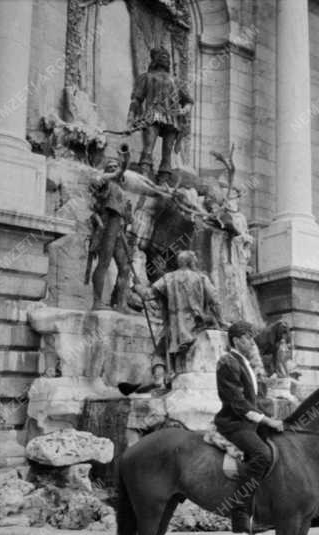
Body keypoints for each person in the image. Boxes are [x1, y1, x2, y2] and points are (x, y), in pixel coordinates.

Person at [215, 321, 285, 533]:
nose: (251, 340)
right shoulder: (227, 362)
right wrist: (266, 420)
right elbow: (237, 403)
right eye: (247, 337)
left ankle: (267, 507)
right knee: (262, 455)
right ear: (236, 340)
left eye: (250, 336)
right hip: (234, 422)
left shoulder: (243, 361)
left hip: (247, 420)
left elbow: (252, 398)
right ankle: (239, 513)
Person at [134, 250, 223, 374]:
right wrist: (220, 321)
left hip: (174, 329)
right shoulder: (201, 278)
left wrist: (137, 287)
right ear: (190, 262)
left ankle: (160, 374)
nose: (196, 262)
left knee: (160, 352)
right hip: (197, 325)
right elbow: (215, 300)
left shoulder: (168, 278)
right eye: (195, 260)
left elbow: (147, 295)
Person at [128, 47, 193, 184]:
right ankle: (145, 171)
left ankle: (164, 176)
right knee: (149, 144)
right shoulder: (146, 77)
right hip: (153, 115)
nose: (165, 59)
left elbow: (188, 101)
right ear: (155, 60)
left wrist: (184, 110)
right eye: (162, 56)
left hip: (172, 118)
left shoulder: (176, 81)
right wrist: (131, 117)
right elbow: (136, 99)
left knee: (167, 150)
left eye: (167, 57)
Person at [87, 146, 135, 312]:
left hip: (119, 228)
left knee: (125, 267)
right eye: (111, 167)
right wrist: (124, 162)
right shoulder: (104, 182)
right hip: (106, 226)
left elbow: (128, 216)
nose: (115, 170)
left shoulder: (121, 191)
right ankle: (97, 301)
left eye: (116, 166)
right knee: (104, 264)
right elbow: (118, 173)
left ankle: (120, 303)